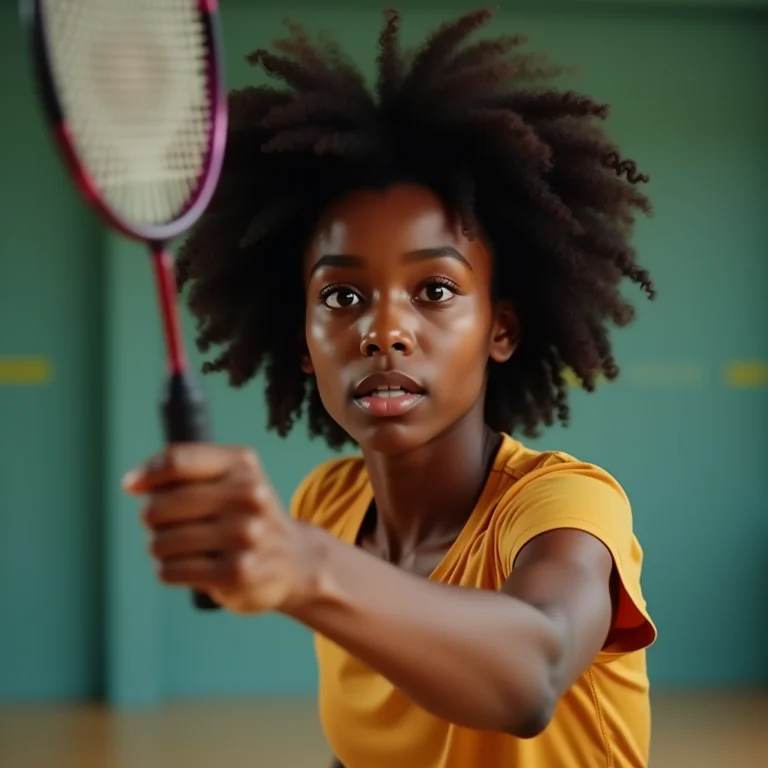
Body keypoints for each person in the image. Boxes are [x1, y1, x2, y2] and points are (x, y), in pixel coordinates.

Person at [122, 8, 658, 768]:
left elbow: (533, 675)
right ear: (302, 342)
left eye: (435, 290)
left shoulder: (565, 505)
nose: (383, 332)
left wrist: (306, 565)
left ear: (501, 329)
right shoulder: (327, 505)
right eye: (342, 297)